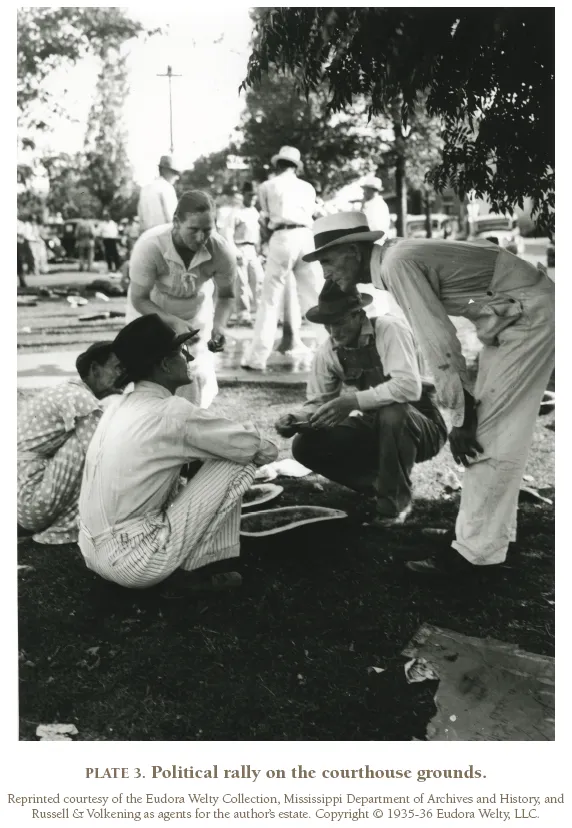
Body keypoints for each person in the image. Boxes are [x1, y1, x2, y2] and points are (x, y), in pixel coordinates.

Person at [302, 211, 555, 578]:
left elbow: (438, 342)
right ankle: (484, 539)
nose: (324, 271)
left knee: (486, 436)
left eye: (327, 259)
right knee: (498, 435)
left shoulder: (397, 263)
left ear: (353, 251)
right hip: (515, 317)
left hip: (529, 317)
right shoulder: (395, 258)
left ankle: (475, 555)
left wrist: (461, 417)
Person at [78, 314, 278, 591]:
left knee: (218, 451)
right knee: (237, 460)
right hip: (133, 561)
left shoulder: (118, 405)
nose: (190, 358)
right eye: (183, 352)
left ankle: (182, 562)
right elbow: (261, 450)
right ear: (164, 364)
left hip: (90, 549)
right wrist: (250, 433)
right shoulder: (171, 412)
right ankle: (194, 569)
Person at [276, 282, 446, 525]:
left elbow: (408, 387)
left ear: (359, 315)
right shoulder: (329, 351)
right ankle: (379, 483)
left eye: (340, 321)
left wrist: (353, 400)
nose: (333, 331)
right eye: (328, 323)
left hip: (423, 427)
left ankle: (395, 504)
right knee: (304, 445)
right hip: (376, 426)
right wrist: (296, 419)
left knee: (393, 410)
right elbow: (318, 402)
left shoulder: (389, 328)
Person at [126, 190, 237, 408]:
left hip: (195, 316)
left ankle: (191, 423)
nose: (200, 238)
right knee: (148, 377)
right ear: (176, 222)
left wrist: (220, 327)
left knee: (195, 376)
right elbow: (139, 299)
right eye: (193, 229)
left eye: (207, 230)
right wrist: (172, 322)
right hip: (149, 312)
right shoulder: (150, 245)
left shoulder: (222, 251)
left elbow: (227, 295)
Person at [17, 342, 125, 545]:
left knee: (91, 438)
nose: (123, 373)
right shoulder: (80, 398)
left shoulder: (69, 390)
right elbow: (102, 454)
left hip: (18, 496)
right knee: (93, 445)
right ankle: (67, 528)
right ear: (95, 369)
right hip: (28, 503)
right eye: (118, 367)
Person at [241, 146, 323, 370]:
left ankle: (257, 358)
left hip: (282, 236)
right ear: (296, 167)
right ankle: (331, 352)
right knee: (314, 297)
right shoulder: (307, 188)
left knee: (270, 300)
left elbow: (265, 216)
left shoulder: (267, 186)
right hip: (306, 236)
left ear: (278, 165)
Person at [221, 183, 265, 325]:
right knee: (241, 283)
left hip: (252, 249)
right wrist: (234, 251)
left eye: (254, 195)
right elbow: (227, 234)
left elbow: (258, 234)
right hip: (239, 247)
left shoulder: (255, 212)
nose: (252, 198)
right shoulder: (236, 212)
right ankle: (243, 314)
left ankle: (261, 313)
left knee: (259, 280)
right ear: (243, 195)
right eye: (249, 195)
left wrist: (260, 252)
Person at [137, 155, 179, 233]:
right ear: (165, 170)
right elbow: (171, 216)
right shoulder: (167, 187)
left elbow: (141, 217)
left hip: (148, 236)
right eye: (174, 173)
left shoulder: (145, 189)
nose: (177, 177)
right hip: (164, 234)